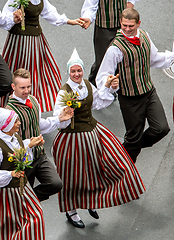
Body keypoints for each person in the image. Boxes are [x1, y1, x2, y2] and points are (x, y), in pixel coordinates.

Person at [52, 48, 146, 228]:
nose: (77, 74)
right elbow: (59, 119)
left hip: (93, 135)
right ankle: (71, 211)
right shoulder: (64, 92)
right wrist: (65, 114)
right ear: (69, 72)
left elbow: (99, 102)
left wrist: (108, 87)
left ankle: (89, 201)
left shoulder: (88, 85)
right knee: (73, 175)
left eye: (79, 70)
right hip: (72, 140)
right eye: (73, 71)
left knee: (95, 169)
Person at [96, 8, 174, 163]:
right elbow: (103, 74)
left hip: (149, 92)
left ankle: (126, 150)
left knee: (161, 129)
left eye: (131, 26)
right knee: (133, 138)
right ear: (120, 23)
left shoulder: (145, 36)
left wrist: (171, 58)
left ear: (138, 23)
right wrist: (109, 83)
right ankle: (125, 170)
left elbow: (153, 59)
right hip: (130, 99)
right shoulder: (115, 48)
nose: (127, 29)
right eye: (124, 25)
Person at [0, 0, 84, 112]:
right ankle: (13, 103)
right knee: (17, 70)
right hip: (19, 41)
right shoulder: (16, 0)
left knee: (37, 72)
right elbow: (4, 16)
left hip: (35, 41)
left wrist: (69, 21)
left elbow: (50, 13)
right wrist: (13, 17)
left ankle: (30, 103)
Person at [5, 68, 73, 202]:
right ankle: (25, 203)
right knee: (20, 196)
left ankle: (30, 201)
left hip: (39, 155)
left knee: (55, 184)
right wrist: (29, 144)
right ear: (13, 87)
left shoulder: (33, 100)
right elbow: (8, 143)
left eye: (29, 86)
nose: (26, 91)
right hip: (23, 162)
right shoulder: (9, 112)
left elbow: (39, 124)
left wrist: (59, 118)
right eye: (22, 87)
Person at [0, 105, 45, 239]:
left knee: (35, 217)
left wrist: (30, 144)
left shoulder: (15, 137)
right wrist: (9, 174)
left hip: (21, 187)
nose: (19, 123)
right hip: (4, 193)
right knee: (5, 227)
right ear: (7, 124)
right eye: (16, 121)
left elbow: (18, 149)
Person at [80, 0, 139, 86]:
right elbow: (90, 4)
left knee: (123, 57)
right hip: (104, 27)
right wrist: (88, 17)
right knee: (102, 61)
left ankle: (115, 86)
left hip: (123, 26)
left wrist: (129, 6)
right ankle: (94, 86)